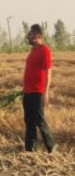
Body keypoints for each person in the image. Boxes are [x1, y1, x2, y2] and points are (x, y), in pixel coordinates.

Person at [22, 24, 55, 153]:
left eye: (30, 34)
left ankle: (51, 147)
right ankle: (30, 149)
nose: (28, 36)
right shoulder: (33, 51)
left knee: (39, 121)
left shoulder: (44, 50)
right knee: (29, 121)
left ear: (37, 35)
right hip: (28, 91)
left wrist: (45, 92)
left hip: (37, 91)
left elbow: (48, 72)